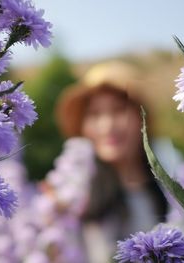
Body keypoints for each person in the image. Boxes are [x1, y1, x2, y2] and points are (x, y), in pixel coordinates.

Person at [55, 61, 171, 263]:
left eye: (119, 110)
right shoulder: (73, 196)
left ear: (141, 118)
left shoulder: (174, 190)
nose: (107, 125)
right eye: (94, 114)